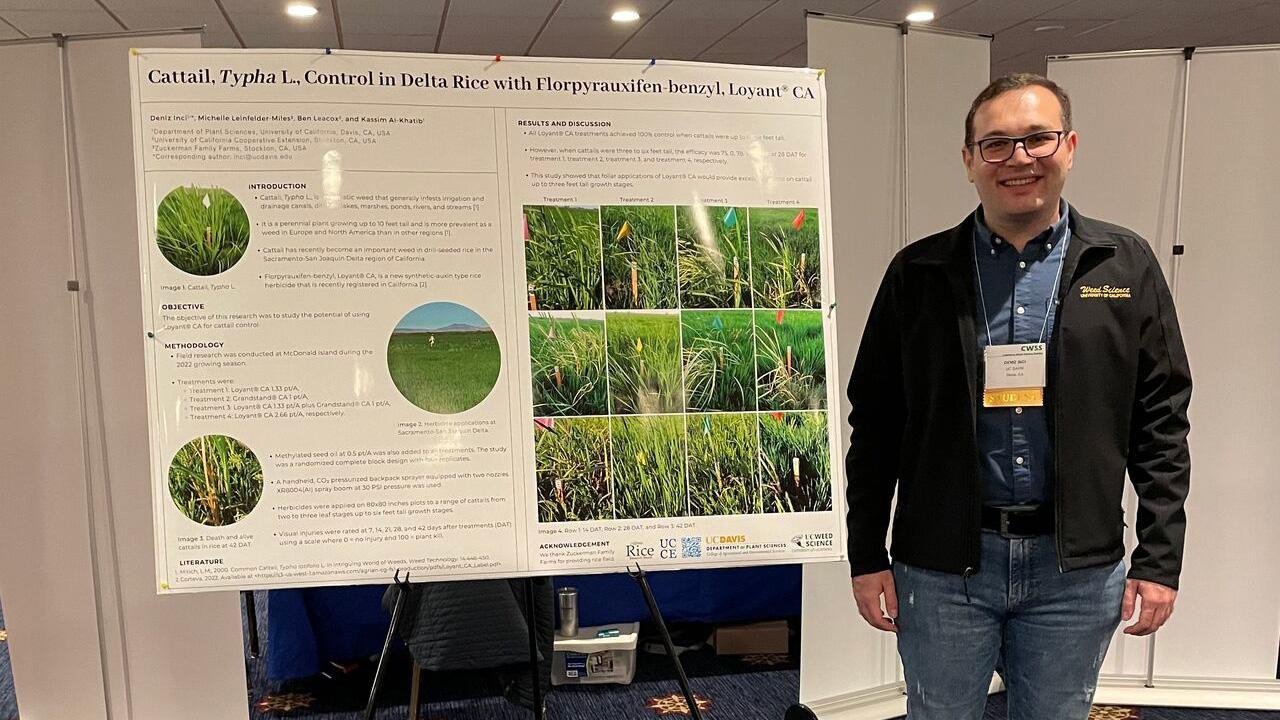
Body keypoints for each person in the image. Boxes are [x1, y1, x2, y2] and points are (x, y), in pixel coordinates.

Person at [845, 73, 1192, 719]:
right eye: (997, 144)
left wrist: (1160, 557)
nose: (1019, 159)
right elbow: (877, 424)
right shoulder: (917, 274)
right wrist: (866, 553)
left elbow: (1161, 422)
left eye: (1037, 139)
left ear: (1070, 146)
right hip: (944, 570)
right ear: (970, 160)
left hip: (1076, 571)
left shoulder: (1125, 265)